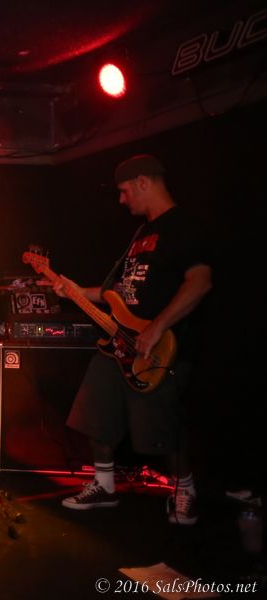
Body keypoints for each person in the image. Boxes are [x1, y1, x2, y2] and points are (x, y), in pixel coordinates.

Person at [49, 154, 211, 526]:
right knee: (95, 417)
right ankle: (104, 486)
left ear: (142, 182)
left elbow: (200, 281)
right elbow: (116, 293)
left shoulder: (183, 225)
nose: (121, 200)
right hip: (118, 344)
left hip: (159, 349)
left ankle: (185, 490)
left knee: (162, 430)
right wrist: (76, 291)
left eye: (124, 191)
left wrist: (156, 328)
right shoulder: (140, 235)